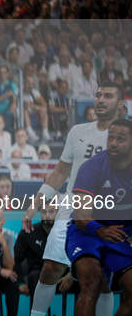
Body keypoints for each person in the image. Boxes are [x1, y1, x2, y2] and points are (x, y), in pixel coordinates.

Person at [22, 82, 124, 316]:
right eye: (98, 95)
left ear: (120, 104)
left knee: (103, 279)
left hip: (108, 213)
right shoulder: (78, 131)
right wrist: (35, 205)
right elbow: (60, 172)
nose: (100, 99)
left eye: (108, 96)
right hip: (71, 210)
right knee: (50, 268)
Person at [66, 119, 132, 315]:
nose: (113, 142)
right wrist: (101, 230)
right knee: (91, 281)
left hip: (120, 235)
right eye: (110, 137)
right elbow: (81, 216)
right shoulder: (91, 167)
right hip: (87, 232)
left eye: (120, 139)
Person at [13, 203, 70, 311]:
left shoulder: (66, 232)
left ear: (57, 213)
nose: (47, 216)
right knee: (34, 277)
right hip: (38, 275)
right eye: (44, 212)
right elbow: (15, 259)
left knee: (84, 278)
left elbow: (77, 257)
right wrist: (20, 282)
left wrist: (70, 276)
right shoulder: (29, 232)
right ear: (40, 214)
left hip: (62, 278)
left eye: (51, 212)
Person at [0, 66, 18, 132]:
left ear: (8, 74)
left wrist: (13, 106)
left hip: (7, 113)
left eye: (4, 72)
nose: (2, 74)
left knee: (7, 133)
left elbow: (15, 99)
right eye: (1, 73)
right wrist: (6, 95)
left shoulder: (13, 85)